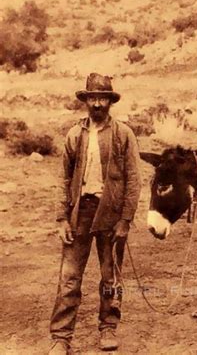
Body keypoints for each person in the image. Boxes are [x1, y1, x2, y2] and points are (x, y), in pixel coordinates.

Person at [49, 73, 141, 354]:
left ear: (110, 101)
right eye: (93, 98)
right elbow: (64, 179)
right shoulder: (75, 135)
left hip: (110, 213)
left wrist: (125, 219)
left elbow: (133, 180)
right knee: (69, 277)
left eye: (103, 98)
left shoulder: (123, 134)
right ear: (85, 101)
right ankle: (62, 337)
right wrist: (62, 218)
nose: (98, 103)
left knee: (110, 275)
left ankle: (108, 327)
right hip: (80, 213)